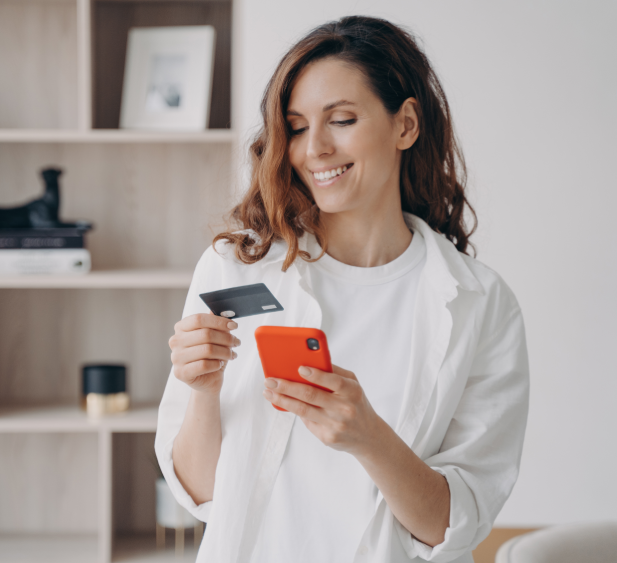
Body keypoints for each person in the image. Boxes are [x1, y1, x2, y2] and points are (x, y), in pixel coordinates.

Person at [155, 15, 529, 563]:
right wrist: (204, 391)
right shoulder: (234, 269)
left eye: (342, 120)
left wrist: (370, 438)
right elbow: (200, 493)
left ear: (406, 125)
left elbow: (454, 525)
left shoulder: (481, 304)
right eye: (296, 127)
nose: (315, 149)